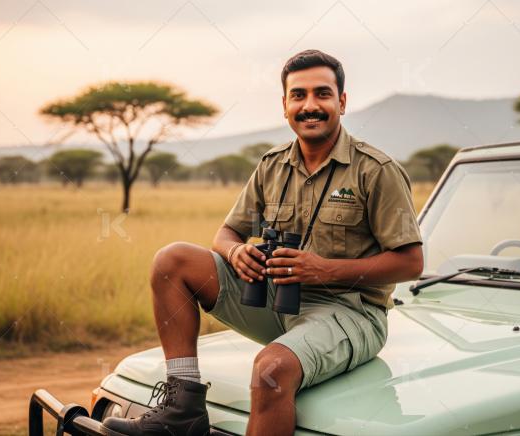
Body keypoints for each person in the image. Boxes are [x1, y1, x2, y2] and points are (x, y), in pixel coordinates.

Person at [102, 49, 423, 436]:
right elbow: (226, 233)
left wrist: (325, 270)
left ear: (341, 101)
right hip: (278, 299)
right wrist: (237, 253)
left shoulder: (377, 170)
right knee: (173, 261)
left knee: (271, 369)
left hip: (350, 311)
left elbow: (411, 263)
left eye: (322, 94)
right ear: (285, 105)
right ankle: (182, 406)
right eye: (298, 95)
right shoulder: (272, 165)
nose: (310, 106)